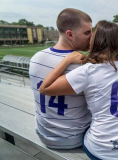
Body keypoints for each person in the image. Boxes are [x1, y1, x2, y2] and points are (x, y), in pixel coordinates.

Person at [39, 20, 118, 159]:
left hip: (100, 151)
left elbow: (45, 88)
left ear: (96, 43)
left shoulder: (88, 71)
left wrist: (67, 61)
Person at [29, 8, 92, 149]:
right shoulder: (83, 67)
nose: (92, 36)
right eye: (87, 32)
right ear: (70, 34)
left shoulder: (35, 59)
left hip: (43, 134)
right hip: (74, 138)